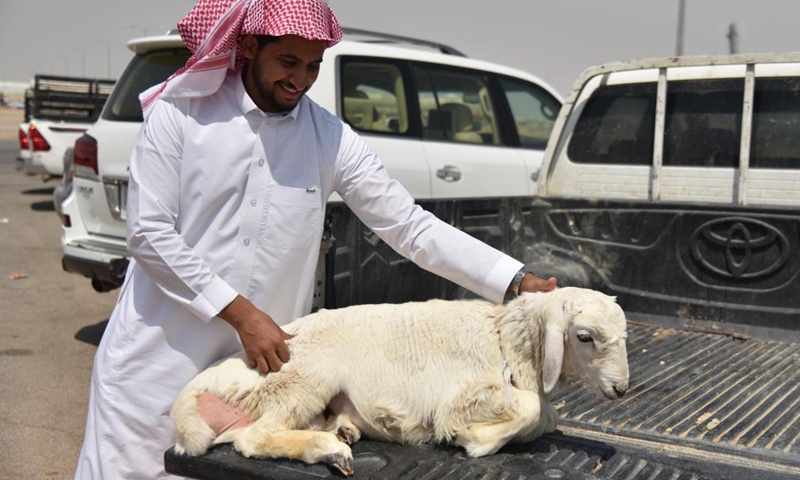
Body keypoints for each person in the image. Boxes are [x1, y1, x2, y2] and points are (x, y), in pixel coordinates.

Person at [73, 0, 557, 478]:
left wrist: (513, 279)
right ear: (247, 45)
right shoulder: (181, 116)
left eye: (312, 66)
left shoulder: (329, 137)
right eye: (287, 61)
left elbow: (409, 226)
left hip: (256, 381)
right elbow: (148, 234)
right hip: (155, 367)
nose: (300, 79)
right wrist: (241, 313)